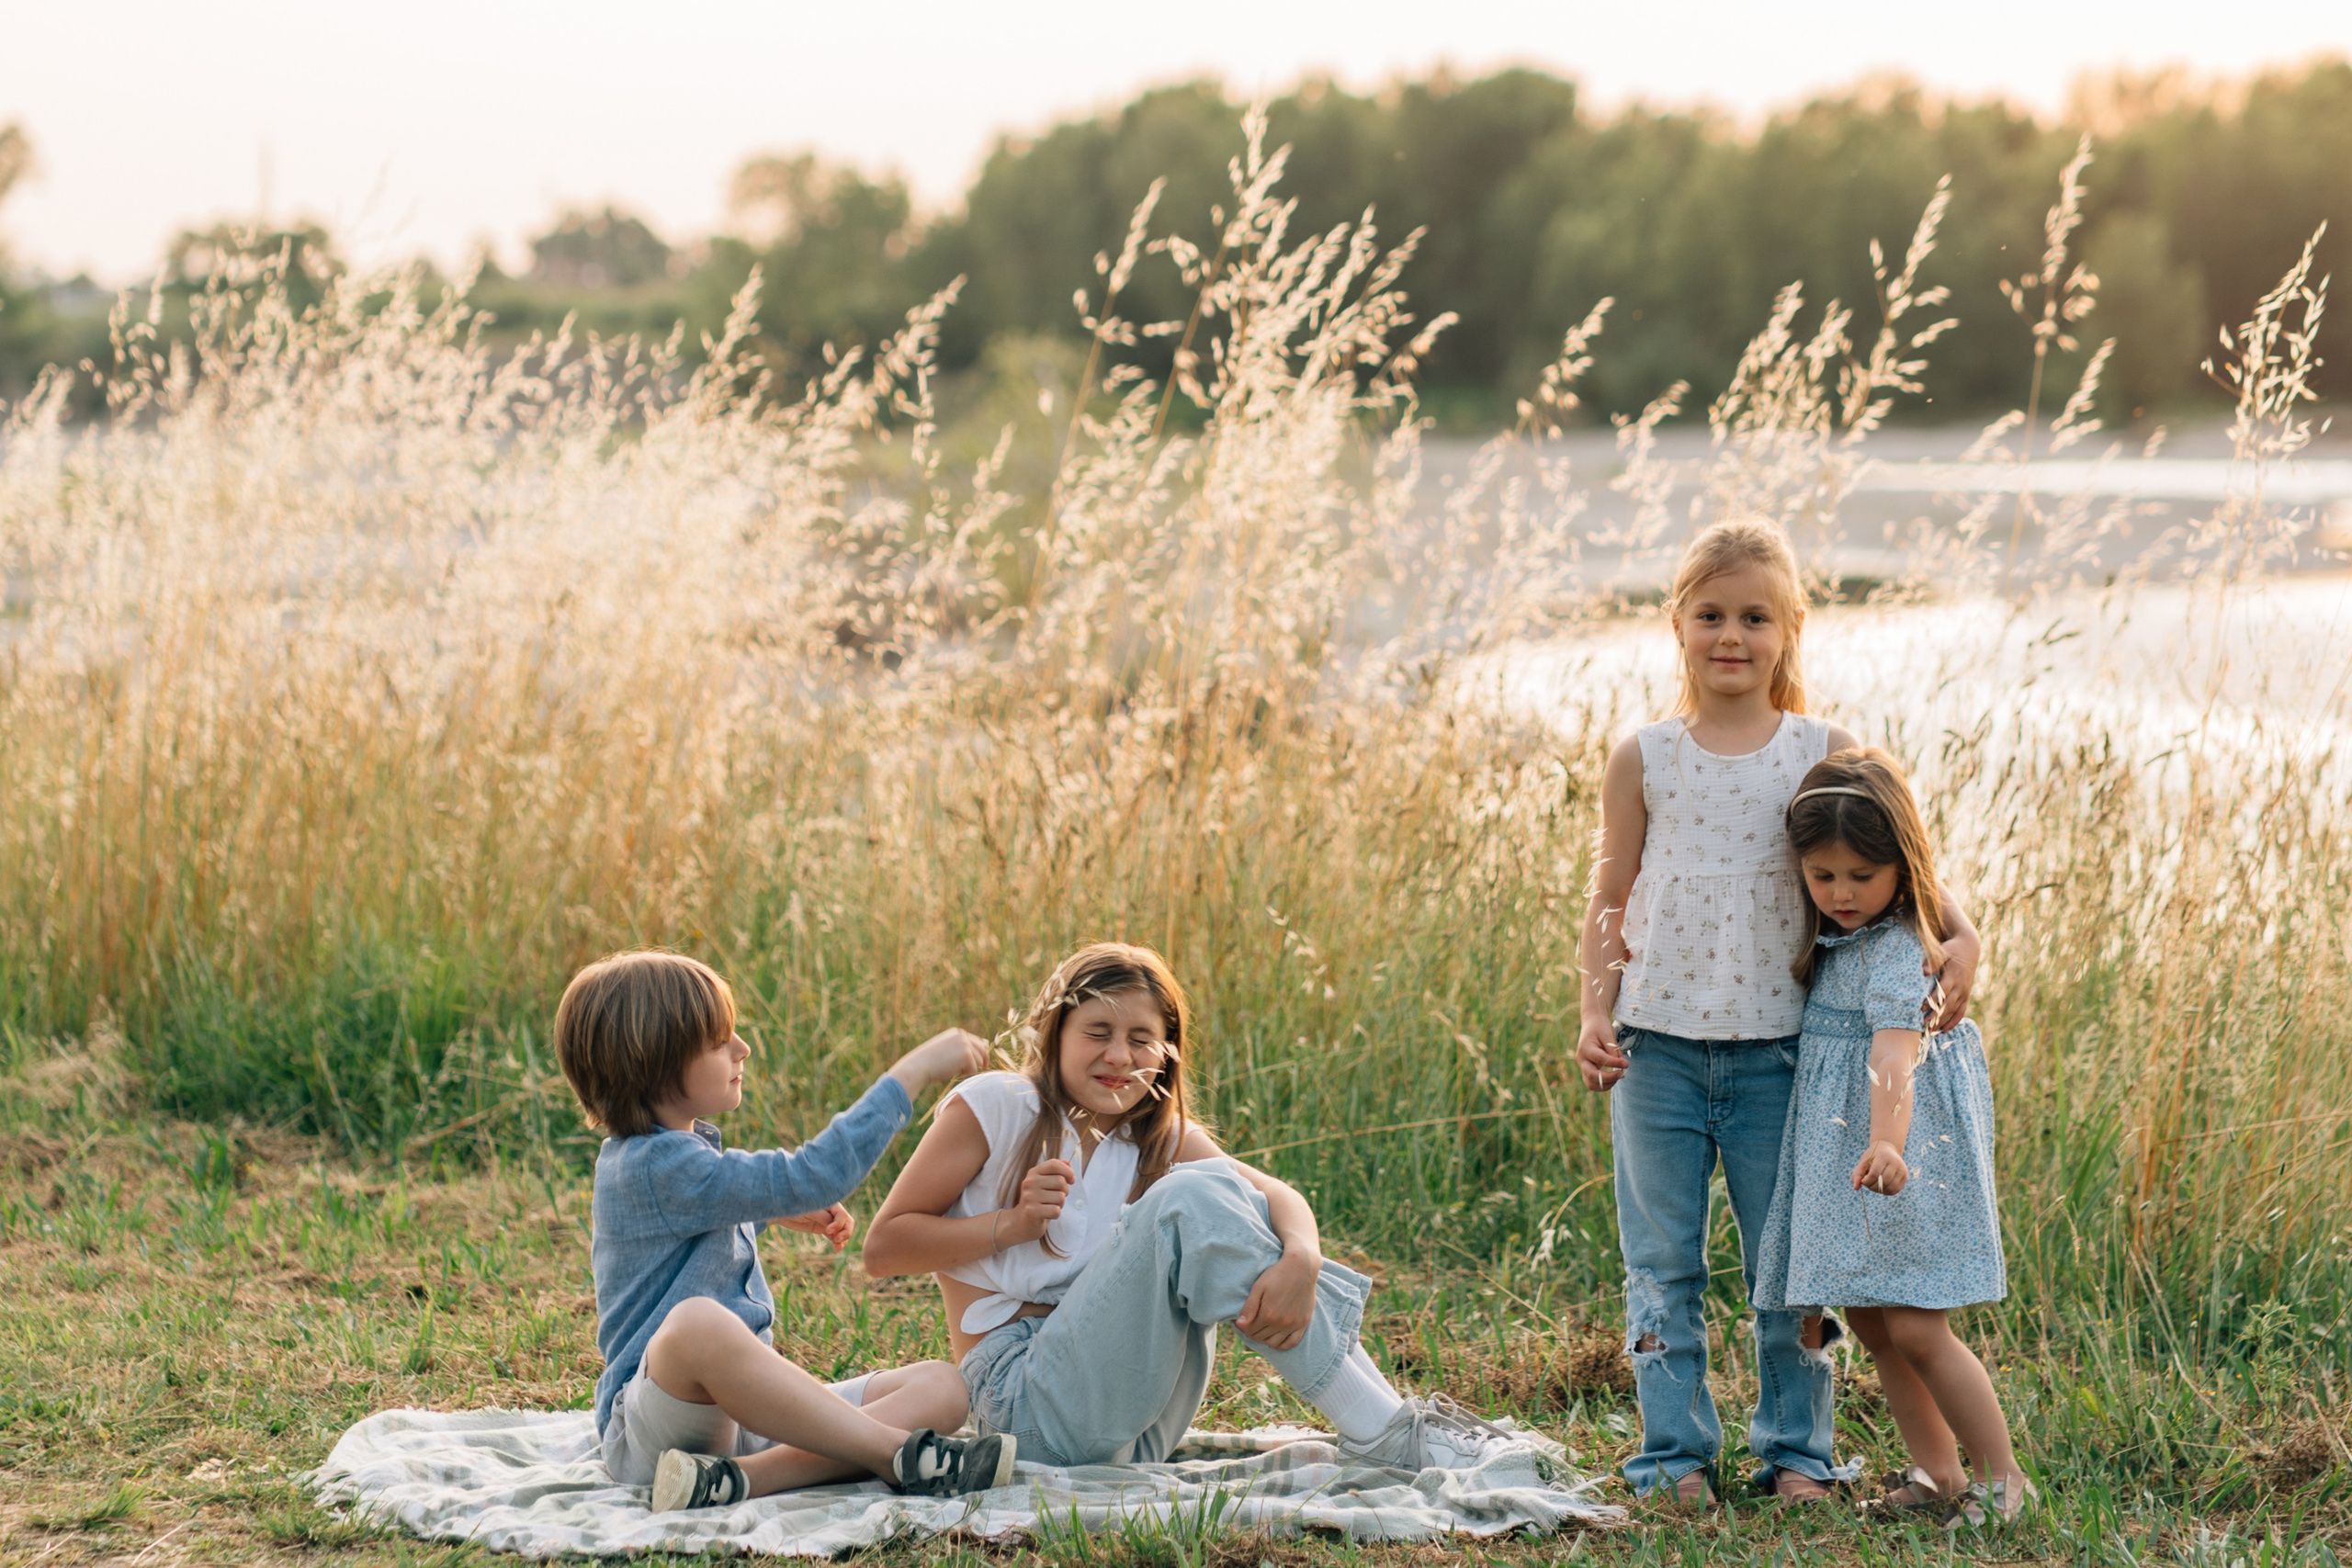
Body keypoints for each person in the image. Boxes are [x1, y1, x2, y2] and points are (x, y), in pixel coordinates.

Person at [1574, 518, 1983, 1506]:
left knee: (1791, 1273)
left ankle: (1798, 1454)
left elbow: (1900, 856)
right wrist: (1593, 1011)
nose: (1731, 636)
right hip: (1656, 1050)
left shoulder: (1821, 747)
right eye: (1710, 615)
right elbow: (1608, 891)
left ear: (1791, 624)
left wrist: (1960, 933)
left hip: (1783, 1059)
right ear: (1676, 623)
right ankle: (1672, 1458)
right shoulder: (1645, 757)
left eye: (1754, 617)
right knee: (1660, 1266)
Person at [863, 942, 1527, 1472]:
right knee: (1190, 1197)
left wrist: (1302, 1253)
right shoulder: (997, 1106)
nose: (1119, 1055)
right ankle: (1386, 1428)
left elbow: (1278, 1195)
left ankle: (1391, 1424)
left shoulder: (1152, 1135)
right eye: (1097, 1030)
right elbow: (884, 1247)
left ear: (1166, 1051)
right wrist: (1010, 1225)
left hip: (1141, 1425)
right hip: (1021, 1406)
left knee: (1208, 1190)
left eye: (1142, 1038)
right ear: (1056, 1032)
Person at [552, 949, 1015, 1513]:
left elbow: (712, 1202)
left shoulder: (679, 1157)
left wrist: (762, 1210)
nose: (742, 1048)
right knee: (696, 1323)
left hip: (737, 1430)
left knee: (945, 1387)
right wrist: (911, 1072)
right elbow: (811, 1173)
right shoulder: (653, 1166)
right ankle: (896, 1454)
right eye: (719, 1040)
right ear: (653, 1062)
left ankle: (743, 1479)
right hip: (654, 1425)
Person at [1751, 750, 2029, 1527]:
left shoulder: (1901, 943)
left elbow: (1894, 1052)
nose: (1840, 893)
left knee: (1914, 1320)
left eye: (1860, 876)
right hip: (1860, 1143)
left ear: (1902, 869)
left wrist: (1888, 1142)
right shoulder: (1843, 932)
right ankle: (1936, 1473)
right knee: (1870, 1319)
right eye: (1823, 875)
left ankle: (2004, 1480)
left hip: (1902, 1143)